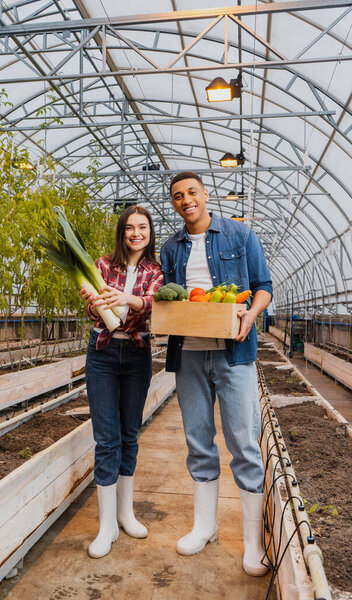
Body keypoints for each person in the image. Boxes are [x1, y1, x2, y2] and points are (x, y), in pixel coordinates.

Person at [160, 171, 272, 576]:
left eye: (191, 192)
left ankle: (253, 543)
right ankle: (204, 527)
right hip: (188, 356)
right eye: (177, 196)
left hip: (234, 354)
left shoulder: (240, 236)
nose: (185, 200)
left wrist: (252, 316)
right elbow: (169, 299)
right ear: (173, 203)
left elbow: (263, 286)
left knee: (243, 443)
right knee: (198, 441)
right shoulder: (170, 247)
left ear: (205, 194)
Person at [81, 205, 164, 559]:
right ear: (122, 232)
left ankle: (125, 513)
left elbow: (154, 303)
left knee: (129, 435)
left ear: (150, 232)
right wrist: (93, 301)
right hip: (101, 353)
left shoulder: (157, 270)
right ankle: (106, 526)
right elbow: (94, 311)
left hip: (136, 354)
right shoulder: (102, 266)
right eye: (129, 228)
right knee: (107, 439)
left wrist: (127, 299)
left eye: (142, 227)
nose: (135, 233)